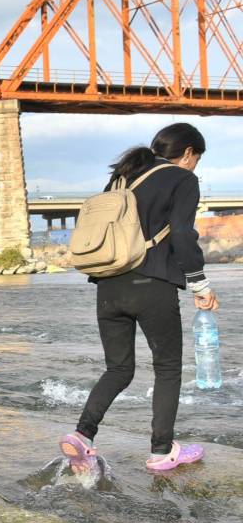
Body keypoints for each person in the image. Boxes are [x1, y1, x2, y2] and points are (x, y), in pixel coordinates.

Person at [60, 123, 219, 474]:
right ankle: (162, 451)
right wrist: (200, 285)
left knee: (118, 369)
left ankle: (82, 434)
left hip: (108, 285)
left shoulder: (121, 179)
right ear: (189, 153)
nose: (195, 167)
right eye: (197, 160)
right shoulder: (182, 178)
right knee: (167, 368)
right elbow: (181, 233)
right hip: (153, 285)